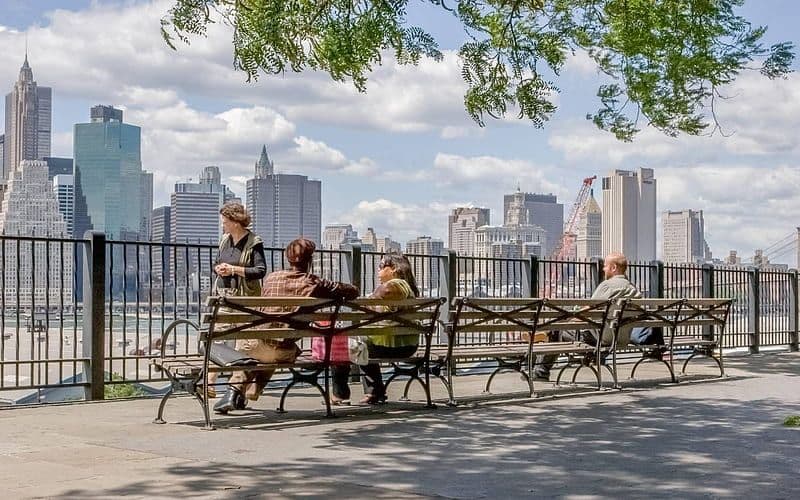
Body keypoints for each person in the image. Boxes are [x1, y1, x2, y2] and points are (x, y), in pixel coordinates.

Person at [214, 237, 359, 414]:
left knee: (259, 353)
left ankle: (233, 391)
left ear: (287, 258)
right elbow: (352, 291)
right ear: (310, 260)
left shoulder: (271, 278)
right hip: (284, 350)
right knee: (277, 351)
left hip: (253, 345)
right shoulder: (313, 283)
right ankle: (252, 390)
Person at [532, 252, 663, 380]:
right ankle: (545, 334)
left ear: (614, 267)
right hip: (621, 339)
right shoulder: (634, 290)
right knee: (560, 328)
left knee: (558, 331)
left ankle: (541, 371)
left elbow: (589, 309)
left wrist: (568, 318)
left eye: (605, 266)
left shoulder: (607, 286)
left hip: (598, 339)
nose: (603, 269)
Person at [206, 202, 267, 397]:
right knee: (216, 339)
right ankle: (209, 383)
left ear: (235, 221)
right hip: (224, 297)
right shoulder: (224, 240)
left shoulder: (254, 242)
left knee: (243, 344)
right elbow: (217, 261)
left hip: (245, 300)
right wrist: (218, 268)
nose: (222, 224)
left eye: (225, 221)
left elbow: (260, 271)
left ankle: (235, 388)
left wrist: (234, 270)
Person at [358, 252, 421, 404]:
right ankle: (374, 391)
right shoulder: (407, 287)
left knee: (357, 346)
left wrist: (371, 297)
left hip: (392, 346)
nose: (378, 270)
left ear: (393, 268)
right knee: (360, 344)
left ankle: (371, 391)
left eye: (381, 266)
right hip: (408, 345)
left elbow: (387, 291)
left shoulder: (399, 284)